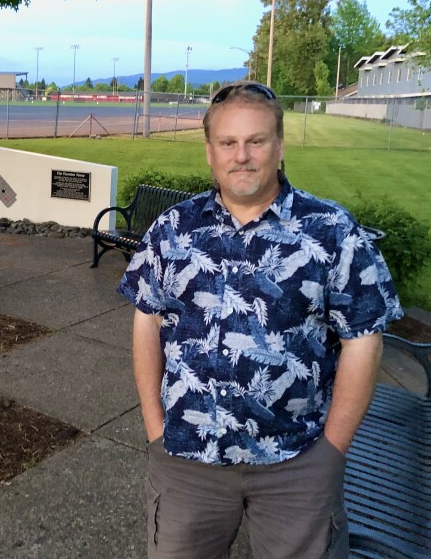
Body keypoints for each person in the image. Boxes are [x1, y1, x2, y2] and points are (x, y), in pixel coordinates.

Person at [117, 81, 403, 558]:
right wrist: (155, 430)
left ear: (280, 146)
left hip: (297, 462)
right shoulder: (173, 229)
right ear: (210, 151)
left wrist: (332, 451)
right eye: (228, 142)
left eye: (256, 141)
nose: (242, 155)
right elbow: (146, 320)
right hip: (188, 459)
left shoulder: (332, 232)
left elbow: (363, 338)